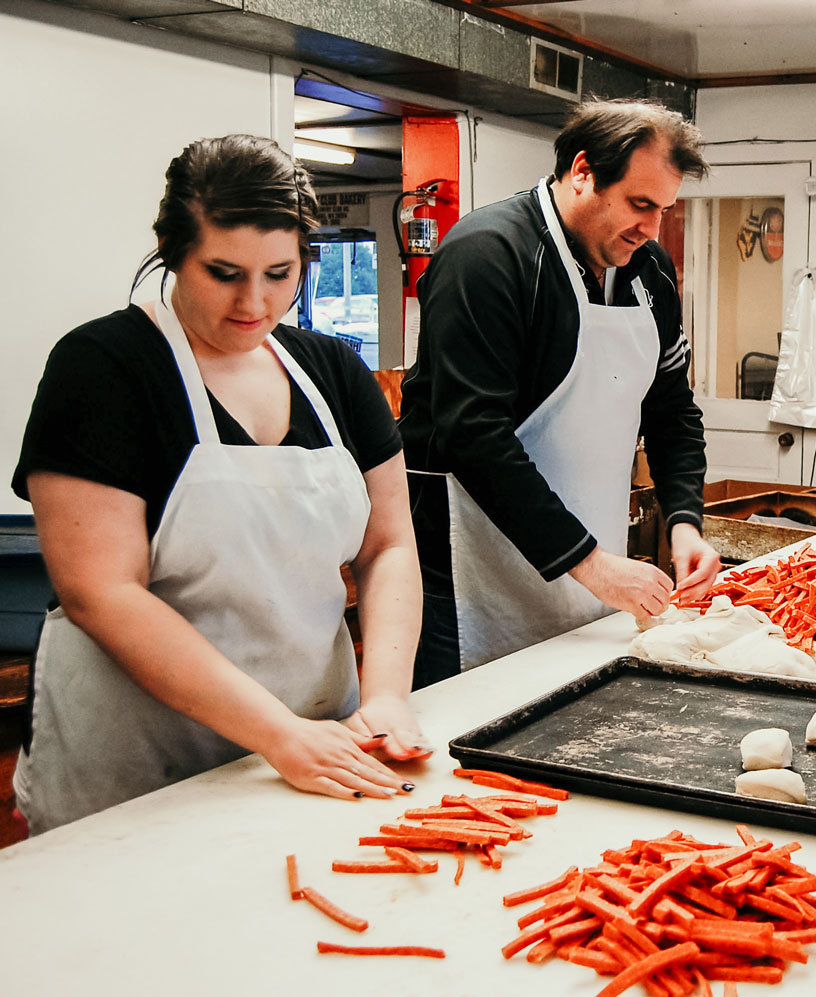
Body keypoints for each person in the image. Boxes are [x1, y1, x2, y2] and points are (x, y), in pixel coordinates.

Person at [11, 135, 429, 836]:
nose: (255, 301)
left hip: (319, 746)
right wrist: (278, 734)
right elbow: (102, 592)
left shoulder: (333, 373)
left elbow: (387, 546)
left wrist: (386, 695)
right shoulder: (104, 368)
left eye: (280, 272)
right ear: (173, 252)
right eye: (224, 272)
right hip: (138, 768)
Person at [400, 99, 721, 687]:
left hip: (589, 571)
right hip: (469, 571)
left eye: (664, 209)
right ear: (582, 171)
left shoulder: (649, 271)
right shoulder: (488, 255)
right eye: (639, 204)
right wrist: (591, 564)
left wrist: (684, 521)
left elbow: (672, 408)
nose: (651, 230)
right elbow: (473, 435)